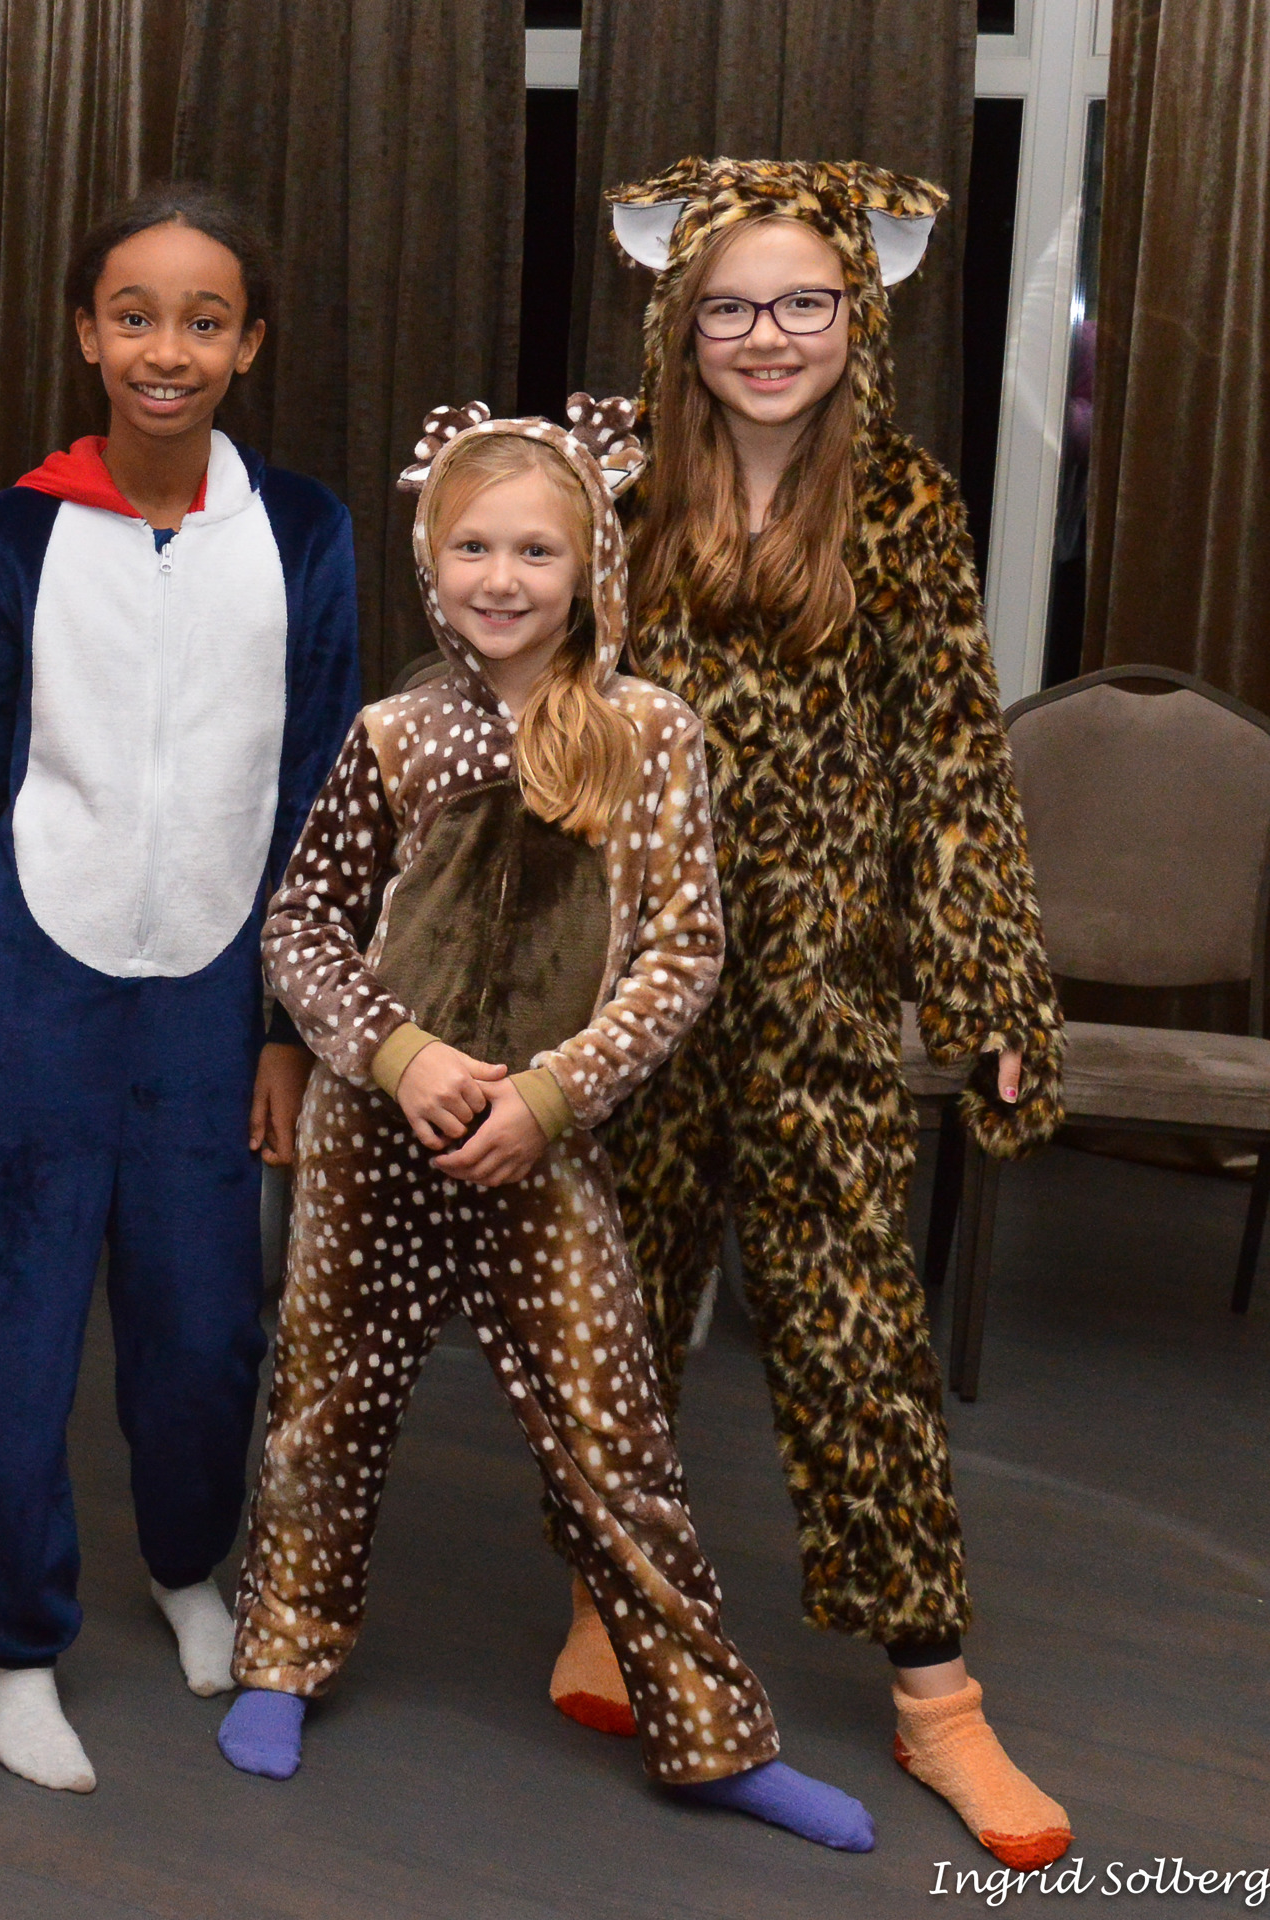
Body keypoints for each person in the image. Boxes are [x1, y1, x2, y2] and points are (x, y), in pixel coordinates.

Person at [211, 398, 872, 1851]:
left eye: (533, 551)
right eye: (471, 548)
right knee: (323, 1407)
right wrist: (397, 1060)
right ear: (430, 560)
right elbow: (304, 929)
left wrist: (552, 1096)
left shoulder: (650, 736)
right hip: (375, 1138)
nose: (499, 578)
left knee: (613, 1436)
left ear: (589, 568)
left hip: (545, 1146)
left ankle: (712, 1737)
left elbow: (684, 954)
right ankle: (282, 1657)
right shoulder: (394, 737)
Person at [553, 158, 1072, 1873]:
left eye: (802, 303)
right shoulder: (620, 489)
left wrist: (987, 979)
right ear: (677, 321)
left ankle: (937, 1696)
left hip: (822, 994)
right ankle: (607, 1597)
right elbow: (531, 694)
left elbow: (954, 755)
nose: (767, 336)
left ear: (859, 314)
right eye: (729, 307)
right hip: (634, 984)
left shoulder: (907, 506)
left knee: (858, 1333)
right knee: (613, 1307)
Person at [0, 186, 359, 1792]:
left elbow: (322, 793)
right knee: (13, 1349)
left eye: (204, 320)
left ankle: (182, 1564)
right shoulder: (18, 531)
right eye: (135, 315)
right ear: (88, 334)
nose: (168, 349)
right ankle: (21, 1646)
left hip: (215, 998)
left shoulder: (305, 532)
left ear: (249, 343)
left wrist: (292, 1029)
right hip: (31, 982)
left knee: (204, 1336)